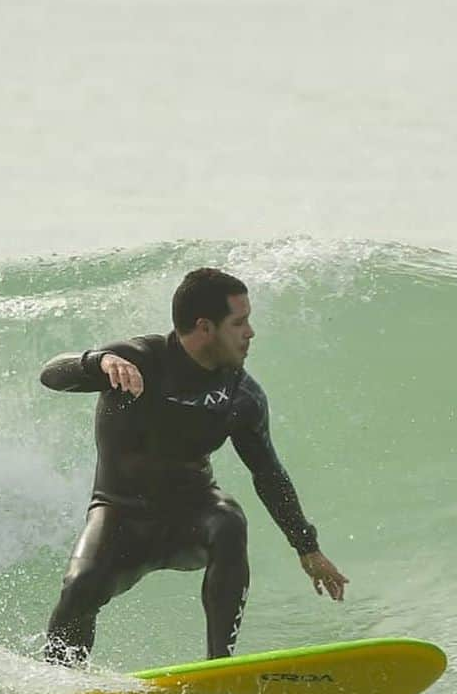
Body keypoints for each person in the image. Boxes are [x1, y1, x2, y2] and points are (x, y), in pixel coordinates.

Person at [38, 267, 348, 666]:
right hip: (120, 517)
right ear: (205, 327)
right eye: (239, 322)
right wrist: (96, 363)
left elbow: (268, 473)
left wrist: (308, 547)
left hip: (189, 520)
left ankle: (219, 667)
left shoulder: (242, 395)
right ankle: (60, 687)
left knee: (228, 521)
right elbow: (51, 374)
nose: (250, 332)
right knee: (80, 588)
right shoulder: (137, 361)